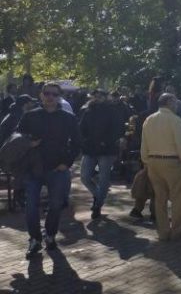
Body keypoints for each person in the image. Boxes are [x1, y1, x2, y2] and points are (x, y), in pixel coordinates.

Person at [18, 83, 81, 259]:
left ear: (59, 96)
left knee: (55, 205)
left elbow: (76, 143)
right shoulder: (30, 116)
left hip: (57, 168)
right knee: (31, 206)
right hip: (34, 168)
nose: (50, 97)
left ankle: (50, 235)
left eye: (54, 94)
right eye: (47, 93)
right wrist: (28, 143)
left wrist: (66, 163)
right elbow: (17, 137)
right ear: (41, 95)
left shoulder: (68, 118)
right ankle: (35, 239)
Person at [140, 93, 181, 241]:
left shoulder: (148, 120)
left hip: (153, 162)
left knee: (159, 199)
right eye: (175, 102)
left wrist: (146, 161)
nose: (177, 105)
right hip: (172, 162)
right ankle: (177, 230)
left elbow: (144, 144)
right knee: (179, 197)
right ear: (169, 102)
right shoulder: (175, 120)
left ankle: (163, 231)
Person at [79, 89, 123, 219]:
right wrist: (84, 141)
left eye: (100, 96)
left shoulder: (113, 110)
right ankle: (99, 197)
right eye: (95, 96)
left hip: (107, 150)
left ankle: (97, 206)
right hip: (90, 148)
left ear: (106, 97)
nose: (97, 98)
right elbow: (81, 128)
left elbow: (118, 129)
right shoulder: (87, 110)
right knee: (85, 177)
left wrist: (106, 141)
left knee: (104, 178)